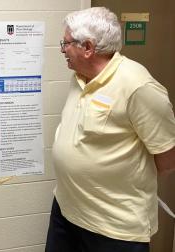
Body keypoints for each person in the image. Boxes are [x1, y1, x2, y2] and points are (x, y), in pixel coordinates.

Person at [45, 7, 175, 252]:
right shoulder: (79, 78)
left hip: (114, 227)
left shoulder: (138, 86)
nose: (63, 49)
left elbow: (167, 158)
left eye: (66, 43)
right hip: (66, 209)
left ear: (88, 47)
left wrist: (121, 178)